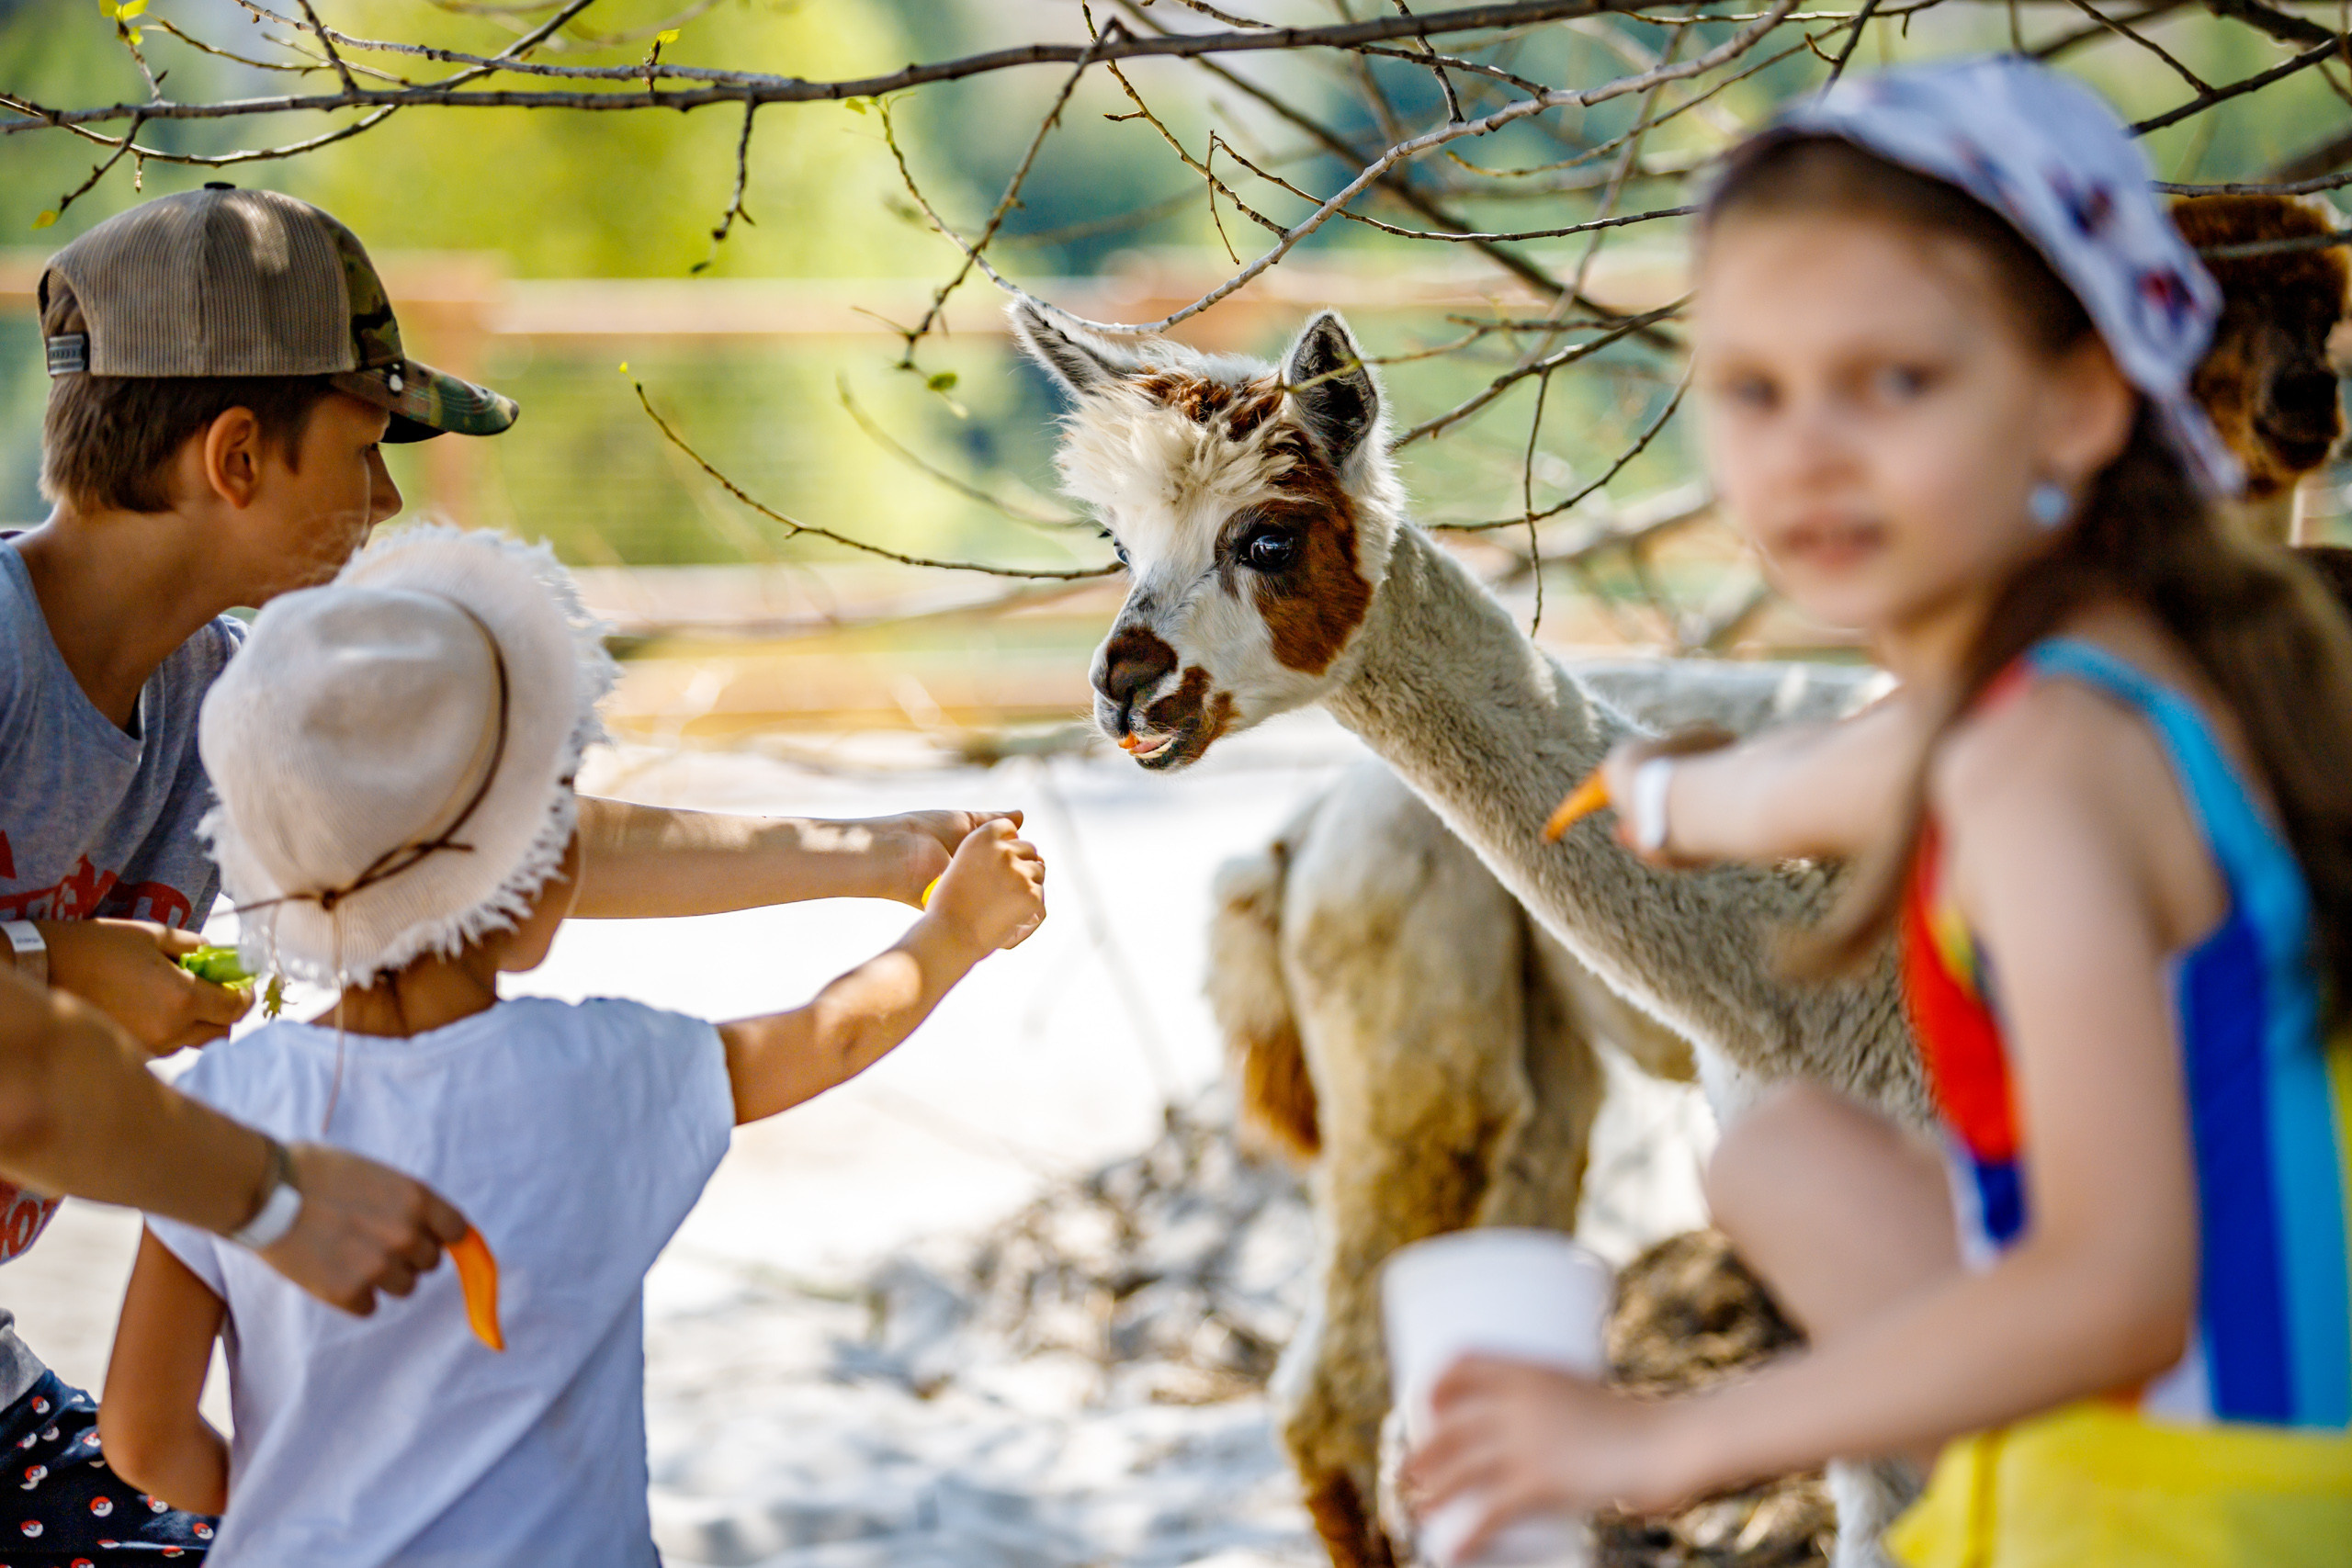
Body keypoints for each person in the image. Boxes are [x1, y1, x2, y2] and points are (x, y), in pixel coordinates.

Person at [1405, 58, 2352, 1567]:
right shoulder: (2133, 657)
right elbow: (1856, 769)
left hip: (2221, 1503)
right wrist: (1679, 793)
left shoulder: (2045, 773)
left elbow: (2121, 1289)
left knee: (1794, 1150)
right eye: (1754, 387)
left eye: (1894, 380)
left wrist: (1676, 1435)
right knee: (1778, 1157)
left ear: (2079, 400)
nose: (1807, 448)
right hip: (2253, 1374)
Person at [2, 185, 1013, 1555]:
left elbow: (495, 838)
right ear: (238, 455)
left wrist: (870, 853)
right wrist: (53, 968)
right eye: (362, 449)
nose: (389, 497)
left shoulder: (227, 703)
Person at [94, 525, 1046, 1565]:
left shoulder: (225, 1103)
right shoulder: (606, 1076)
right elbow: (833, 1034)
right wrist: (952, 935)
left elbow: (141, 1439)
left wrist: (290, 1509)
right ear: (540, 864)